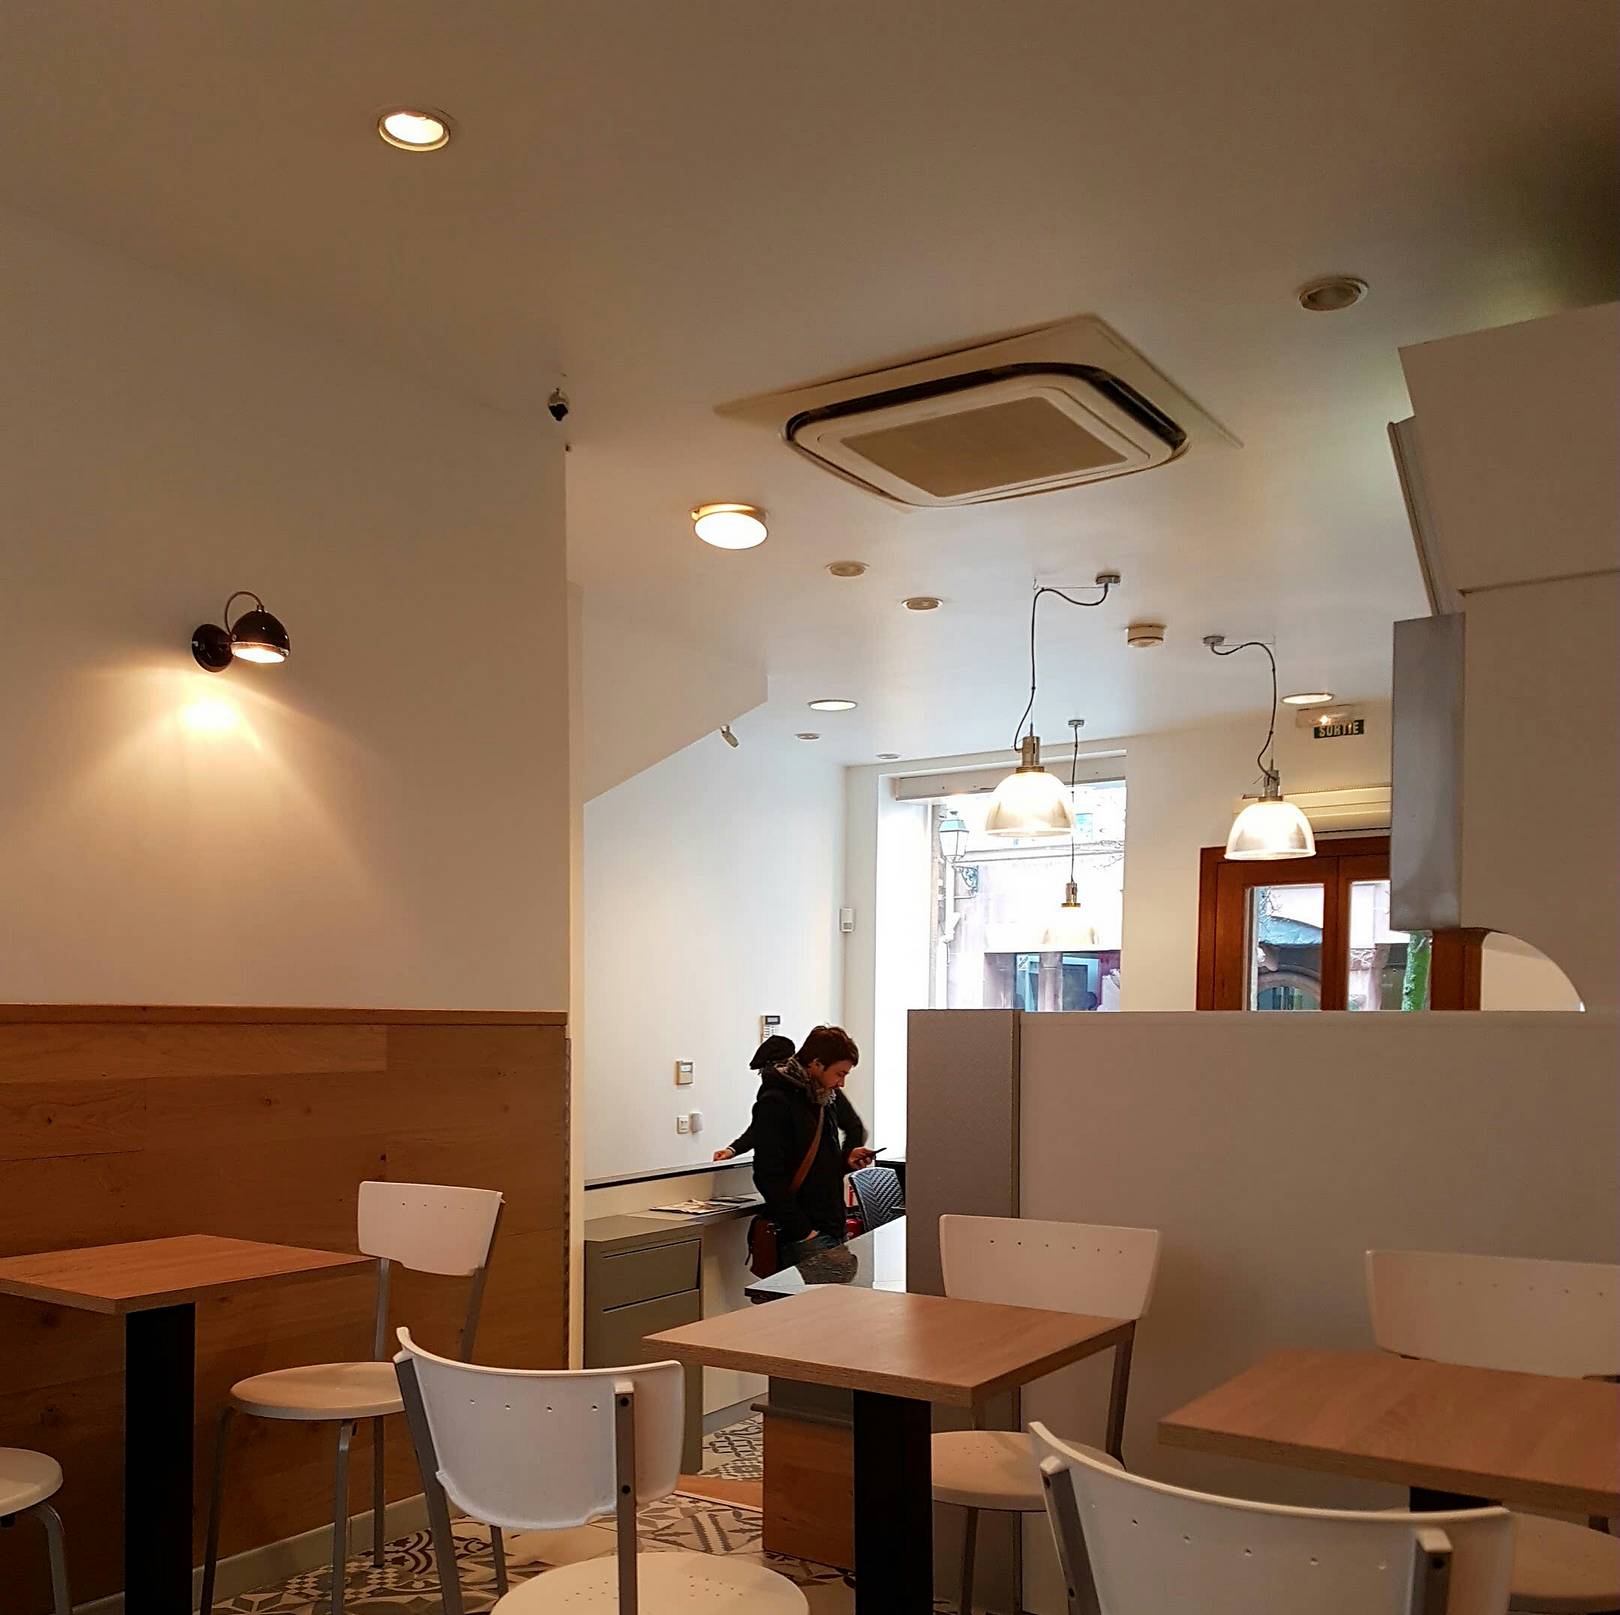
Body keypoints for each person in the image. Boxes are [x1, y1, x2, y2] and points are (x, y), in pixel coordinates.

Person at [750, 1025, 875, 1279]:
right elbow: (767, 1175)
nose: (841, 1083)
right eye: (839, 1073)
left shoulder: (824, 1095)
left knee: (835, 1300)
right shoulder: (775, 1101)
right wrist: (804, 1232)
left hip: (830, 1223)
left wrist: (845, 1160)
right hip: (805, 1234)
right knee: (823, 1302)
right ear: (816, 1064)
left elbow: (833, 1148)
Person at [712, 1034, 794, 1161]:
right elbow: (760, 1127)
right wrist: (733, 1149)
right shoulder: (808, 1090)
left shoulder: (772, 1096)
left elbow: (760, 1130)